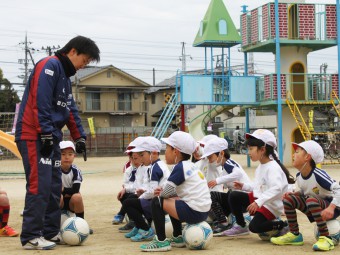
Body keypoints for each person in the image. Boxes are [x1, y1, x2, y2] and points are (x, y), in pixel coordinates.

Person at [15, 35, 100, 250]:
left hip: (50, 136)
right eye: (85, 60)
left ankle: (50, 233)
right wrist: (44, 132)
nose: (84, 65)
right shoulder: (49, 65)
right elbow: (40, 100)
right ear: (73, 51)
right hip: (33, 134)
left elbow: (68, 109)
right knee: (39, 185)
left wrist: (79, 136)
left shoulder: (65, 77)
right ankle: (31, 236)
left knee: (54, 187)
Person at [140, 131, 212, 252]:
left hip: (194, 211)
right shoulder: (190, 165)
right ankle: (178, 237)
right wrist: (165, 193)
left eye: (167, 148)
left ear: (175, 151)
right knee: (171, 199)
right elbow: (173, 192)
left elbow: (165, 193)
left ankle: (161, 241)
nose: (165, 152)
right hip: (203, 211)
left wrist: (160, 192)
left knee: (157, 201)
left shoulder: (180, 167)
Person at [221, 129, 295, 238]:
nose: (248, 152)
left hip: (271, 206)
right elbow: (258, 187)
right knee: (234, 195)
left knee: (254, 227)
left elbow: (277, 188)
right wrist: (244, 186)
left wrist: (258, 203)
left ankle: (283, 224)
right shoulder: (261, 166)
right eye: (248, 149)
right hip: (261, 200)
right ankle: (241, 226)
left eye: (251, 149)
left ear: (262, 149)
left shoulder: (273, 167)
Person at [271, 140, 340, 251]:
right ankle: (294, 235)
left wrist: (331, 208)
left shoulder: (318, 174)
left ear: (307, 157)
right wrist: (294, 194)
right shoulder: (300, 175)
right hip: (316, 206)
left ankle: (326, 238)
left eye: (297, 152)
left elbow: (338, 189)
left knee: (311, 200)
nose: (293, 154)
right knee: (289, 199)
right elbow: (306, 191)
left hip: (332, 208)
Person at [123, 137, 170, 242]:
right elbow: (151, 189)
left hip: (160, 202)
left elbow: (153, 191)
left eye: (142, 155)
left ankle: (145, 229)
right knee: (133, 200)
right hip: (160, 199)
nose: (140, 158)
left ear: (153, 153)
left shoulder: (155, 168)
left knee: (128, 203)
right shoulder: (157, 165)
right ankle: (141, 226)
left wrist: (141, 196)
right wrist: (143, 193)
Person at [202, 137, 251, 235]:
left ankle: (225, 223)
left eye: (210, 157)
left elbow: (238, 174)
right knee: (214, 196)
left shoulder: (229, 163)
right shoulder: (224, 167)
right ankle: (224, 221)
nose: (209, 160)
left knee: (213, 196)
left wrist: (218, 181)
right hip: (237, 201)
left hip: (244, 201)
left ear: (221, 153)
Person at [59, 141, 93, 235]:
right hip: (59, 200)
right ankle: (53, 227)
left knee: (77, 197)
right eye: (63, 154)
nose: (67, 157)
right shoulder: (55, 169)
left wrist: (63, 190)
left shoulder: (75, 170)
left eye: (70, 154)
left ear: (74, 156)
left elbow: (75, 190)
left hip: (70, 202)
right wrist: (61, 192)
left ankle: (81, 225)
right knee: (58, 197)